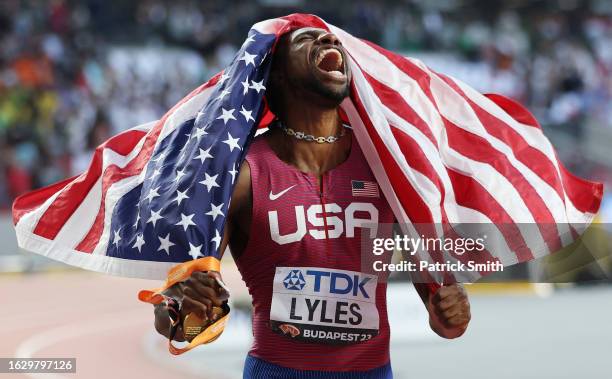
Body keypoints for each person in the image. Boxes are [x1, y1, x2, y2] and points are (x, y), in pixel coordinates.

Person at [153, 27, 471, 378]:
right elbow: (184, 329)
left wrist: (450, 312)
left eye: (334, 40)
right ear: (278, 74)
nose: (330, 40)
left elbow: (447, 325)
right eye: (306, 40)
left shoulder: (386, 164)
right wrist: (189, 313)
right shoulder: (243, 175)